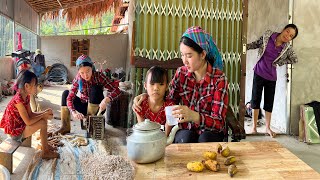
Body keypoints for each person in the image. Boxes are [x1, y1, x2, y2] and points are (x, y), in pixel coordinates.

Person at [133, 26, 229, 143]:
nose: (184, 61)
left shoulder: (219, 79)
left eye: (189, 56)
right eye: (182, 55)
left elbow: (219, 123)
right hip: (187, 128)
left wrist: (194, 116)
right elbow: (168, 100)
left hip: (211, 131)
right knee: (185, 138)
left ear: (203, 54)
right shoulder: (181, 73)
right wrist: (146, 97)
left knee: (205, 139)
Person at [247, 24, 299, 137]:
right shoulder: (268, 35)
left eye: (291, 36)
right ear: (283, 30)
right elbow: (257, 43)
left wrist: (280, 63)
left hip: (271, 77)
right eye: (287, 32)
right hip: (259, 72)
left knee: (268, 102)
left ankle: (268, 128)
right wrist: (245, 46)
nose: (287, 36)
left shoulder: (287, 48)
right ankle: (254, 127)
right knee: (255, 99)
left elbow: (295, 59)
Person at [54, 55, 121, 135]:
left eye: (88, 71)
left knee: (95, 88)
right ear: (79, 72)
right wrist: (74, 112)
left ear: (92, 68)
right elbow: (69, 98)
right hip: (84, 106)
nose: (85, 75)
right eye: (82, 73)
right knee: (66, 93)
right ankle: (65, 127)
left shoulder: (99, 76)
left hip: (98, 108)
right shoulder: (78, 79)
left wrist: (106, 100)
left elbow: (117, 90)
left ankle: (91, 124)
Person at [0, 70, 59, 159]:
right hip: (16, 133)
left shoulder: (26, 96)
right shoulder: (18, 101)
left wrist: (44, 112)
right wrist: (43, 115)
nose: (36, 87)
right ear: (27, 86)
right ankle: (45, 152)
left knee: (43, 119)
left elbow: (31, 114)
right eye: (35, 85)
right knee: (42, 122)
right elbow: (28, 121)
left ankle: (45, 146)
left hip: (20, 126)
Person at [133, 66, 175, 136]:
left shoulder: (170, 106)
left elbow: (167, 134)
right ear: (145, 85)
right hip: (145, 138)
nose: (156, 88)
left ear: (167, 86)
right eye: (152, 84)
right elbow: (142, 129)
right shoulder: (141, 104)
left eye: (161, 84)